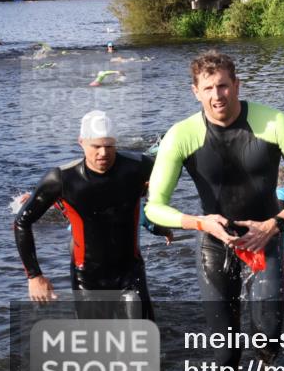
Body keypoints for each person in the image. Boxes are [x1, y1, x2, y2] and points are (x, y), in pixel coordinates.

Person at [146, 50, 284, 371]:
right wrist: (198, 222)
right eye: (208, 88)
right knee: (225, 350)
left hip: (263, 238)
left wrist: (275, 223)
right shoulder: (181, 135)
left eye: (224, 85)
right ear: (195, 92)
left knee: (268, 332)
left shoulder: (274, 123)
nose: (218, 95)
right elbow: (154, 206)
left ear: (237, 85)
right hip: (215, 245)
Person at [13, 110, 171, 320]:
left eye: (109, 146)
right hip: (87, 279)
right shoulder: (62, 179)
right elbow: (22, 222)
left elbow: (163, 188)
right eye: (96, 146)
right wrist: (34, 276)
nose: (103, 153)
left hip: (130, 273)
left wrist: (161, 223)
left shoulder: (138, 167)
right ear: (81, 142)